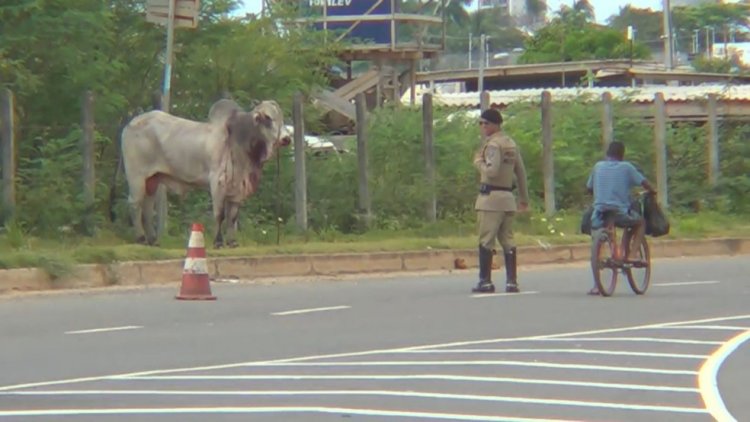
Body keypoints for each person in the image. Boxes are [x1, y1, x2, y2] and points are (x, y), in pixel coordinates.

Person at [586, 141, 656, 295]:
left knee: (596, 242)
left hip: (599, 211)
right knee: (640, 223)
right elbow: (645, 183)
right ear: (622, 155)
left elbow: (589, 188)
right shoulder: (627, 167)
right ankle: (631, 255)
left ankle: (597, 285)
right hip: (619, 211)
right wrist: (653, 191)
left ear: (607, 154)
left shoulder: (597, 167)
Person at [472, 108, 529, 294]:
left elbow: (492, 171)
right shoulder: (510, 144)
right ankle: (512, 281)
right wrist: (523, 198)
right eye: (481, 123)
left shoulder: (494, 145)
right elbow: (520, 173)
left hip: (491, 199)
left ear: (495, 124)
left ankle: (485, 281)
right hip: (507, 198)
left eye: (485, 123)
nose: (482, 127)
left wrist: (479, 162)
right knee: (507, 239)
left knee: (486, 239)